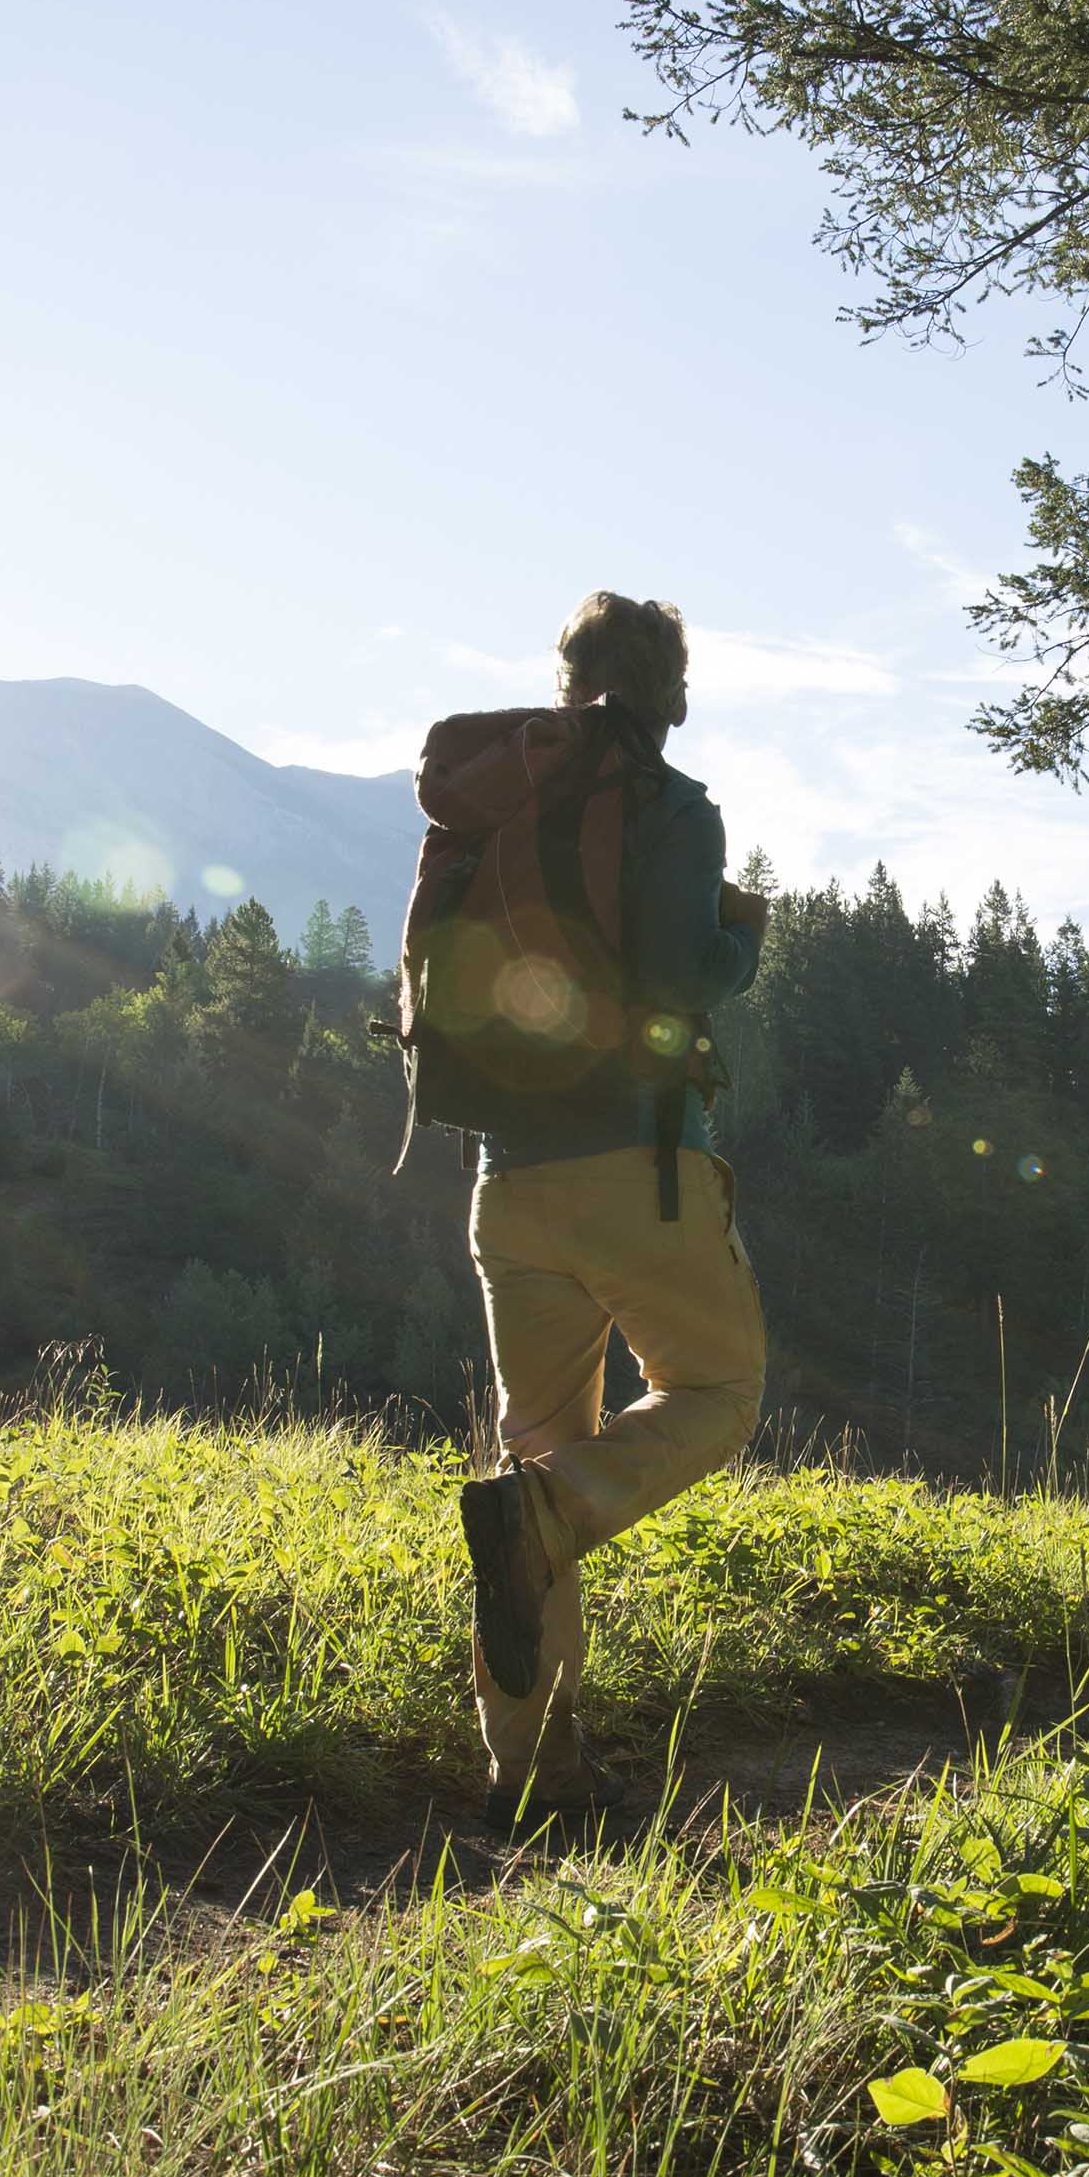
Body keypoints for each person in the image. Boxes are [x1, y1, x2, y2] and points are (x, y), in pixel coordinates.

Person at [420, 592, 768, 1833]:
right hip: (641, 1166)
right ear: (667, 691)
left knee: (536, 1446)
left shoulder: (501, 804)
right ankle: (552, 1513)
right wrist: (744, 945)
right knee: (721, 1392)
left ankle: (533, 1773)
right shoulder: (674, 809)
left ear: (567, 690)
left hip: (504, 1183)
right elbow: (680, 975)